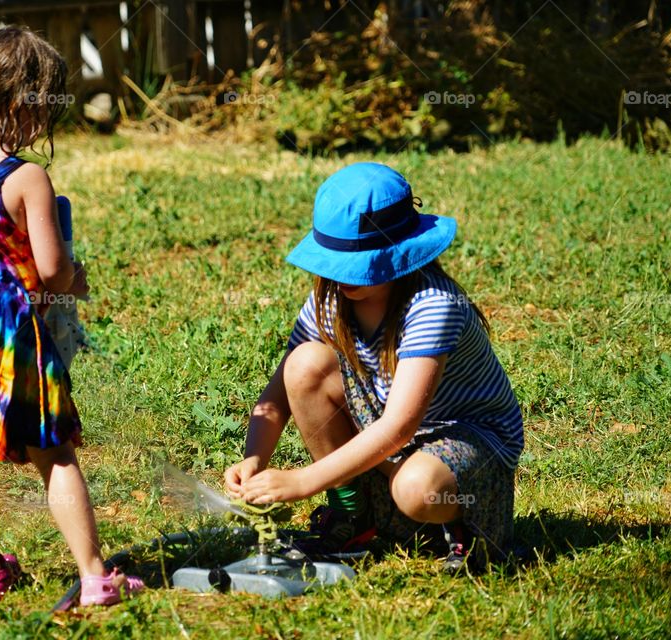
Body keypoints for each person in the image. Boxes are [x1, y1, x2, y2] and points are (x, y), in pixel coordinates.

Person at [0, 26, 143, 604]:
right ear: (21, 104)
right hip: (7, 333)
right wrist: (74, 279)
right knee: (53, 450)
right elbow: (52, 269)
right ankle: (94, 576)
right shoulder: (24, 177)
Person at [224, 162, 524, 573]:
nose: (339, 277)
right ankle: (354, 518)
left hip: (462, 445)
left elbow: (399, 427)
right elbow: (276, 397)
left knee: (416, 487)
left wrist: (304, 481)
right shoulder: (330, 301)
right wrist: (255, 458)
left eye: (356, 264)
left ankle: (467, 531)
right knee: (304, 364)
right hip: (390, 445)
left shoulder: (433, 305)